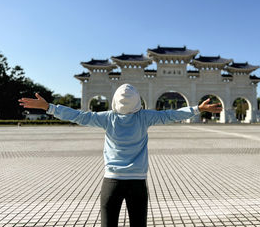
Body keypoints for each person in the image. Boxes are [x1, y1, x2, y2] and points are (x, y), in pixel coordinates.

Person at [18, 84, 222, 227]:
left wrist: (48, 107)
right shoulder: (145, 117)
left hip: (111, 183)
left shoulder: (107, 118)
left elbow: (78, 116)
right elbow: (171, 115)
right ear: (137, 102)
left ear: (115, 101)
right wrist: (198, 108)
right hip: (138, 184)